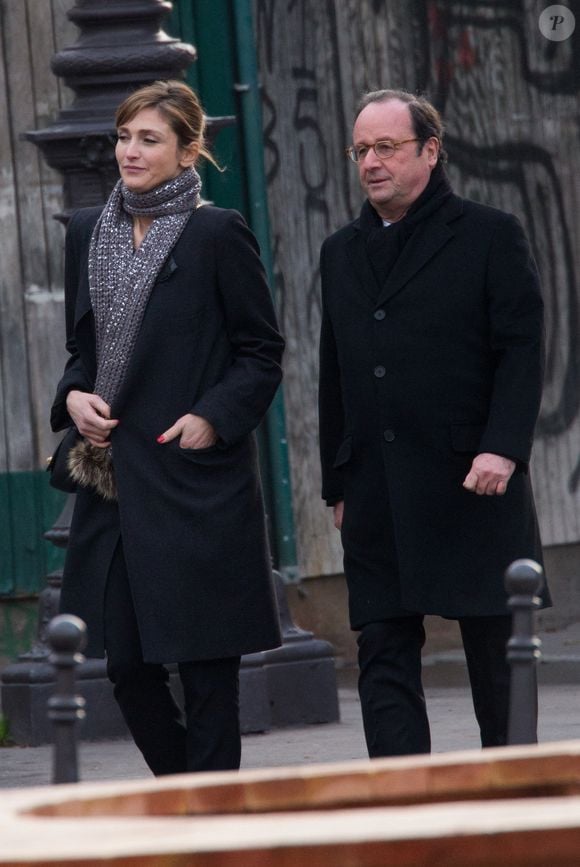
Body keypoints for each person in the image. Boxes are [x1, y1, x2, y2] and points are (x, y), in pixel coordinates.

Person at [50, 80, 284, 775]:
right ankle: (194, 799)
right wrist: (72, 400)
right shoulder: (89, 231)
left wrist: (212, 418)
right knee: (124, 664)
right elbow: (82, 352)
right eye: (124, 135)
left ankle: (206, 821)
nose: (129, 150)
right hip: (114, 481)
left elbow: (261, 351)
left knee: (209, 674)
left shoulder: (217, 233)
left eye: (148, 138)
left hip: (193, 478)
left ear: (188, 152)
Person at [318, 88, 548, 757]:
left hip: (473, 481)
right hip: (376, 488)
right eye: (361, 149)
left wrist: (502, 449)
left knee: (497, 657)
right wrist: (337, 479)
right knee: (382, 651)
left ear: (430, 150)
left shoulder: (488, 234)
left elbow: (522, 349)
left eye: (387, 146)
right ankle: (403, 810)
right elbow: (335, 368)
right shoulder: (341, 250)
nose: (371, 162)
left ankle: (514, 813)